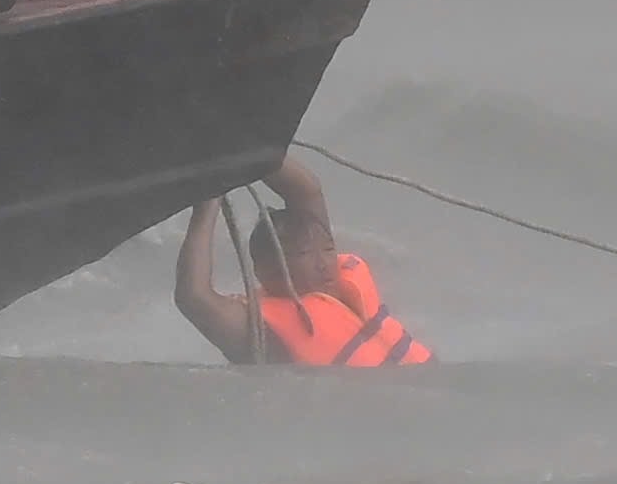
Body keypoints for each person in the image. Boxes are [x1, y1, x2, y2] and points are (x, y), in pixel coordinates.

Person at [173, 154, 435, 366]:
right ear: (266, 271)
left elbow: (306, 192)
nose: (323, 263)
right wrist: (209, 201)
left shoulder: (337, 277)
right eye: (303, 254)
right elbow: (194, 298)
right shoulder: (263, 331)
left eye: (328, 249)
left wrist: (246, 151)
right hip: (385, 421)